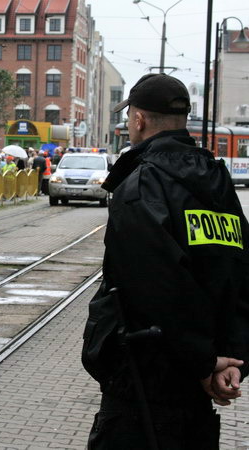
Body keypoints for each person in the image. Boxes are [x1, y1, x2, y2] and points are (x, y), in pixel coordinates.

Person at [82, 73, 249, 449]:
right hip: (197, 385)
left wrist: (205, 363)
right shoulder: (219, 182)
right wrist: (232, 360)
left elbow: (157, 287)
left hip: (145, 380)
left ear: (139, 120)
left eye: (129, 118)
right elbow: (240, 273)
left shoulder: (142, 185)